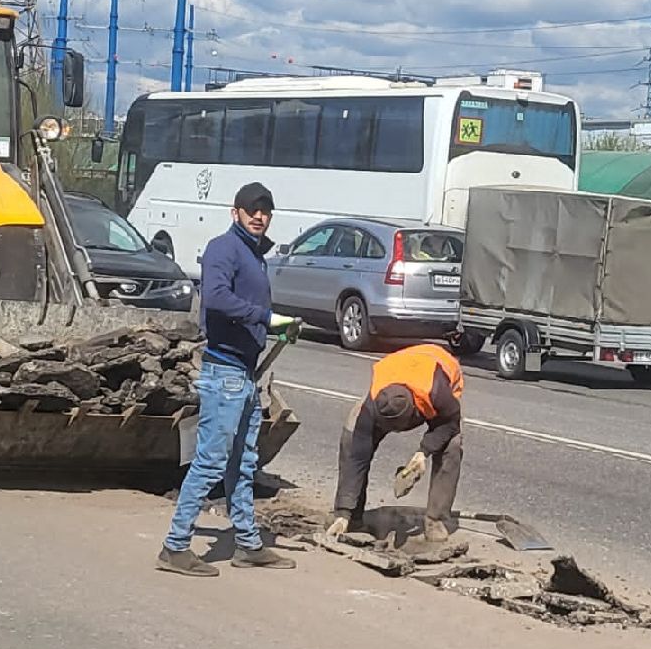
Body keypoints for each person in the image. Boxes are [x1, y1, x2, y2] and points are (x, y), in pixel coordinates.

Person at [158, 182, 300, 577]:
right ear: (234, 212)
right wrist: (266, 318)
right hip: (224, 373)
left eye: (265, 211)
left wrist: (277, 326)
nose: (259, 216)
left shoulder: (254, 255)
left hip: (245, 374)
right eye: (252, 209)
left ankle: (248, 544)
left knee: (243, 461)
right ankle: (175, 546)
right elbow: (217, 297)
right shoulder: (225, 248)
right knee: (210, 461)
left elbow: (246, 307)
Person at [327, 344, 464, 544]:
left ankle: (436, 519)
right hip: (401, 370)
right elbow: (357, 455)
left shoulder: (437, 393)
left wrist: (423, 452)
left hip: (437, 373)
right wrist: (343, 512)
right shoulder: (374, 402)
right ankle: (352, 516)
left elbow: (450, 422)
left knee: (452, 445)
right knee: (351, 433)